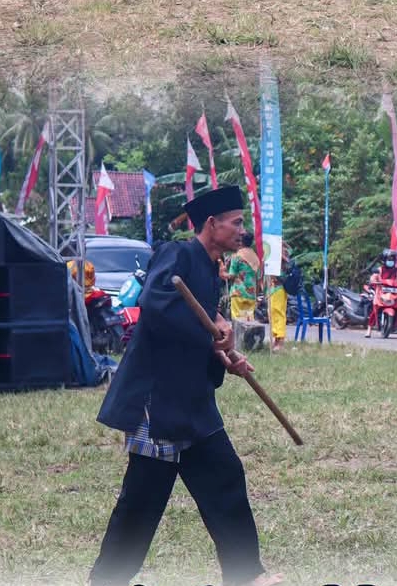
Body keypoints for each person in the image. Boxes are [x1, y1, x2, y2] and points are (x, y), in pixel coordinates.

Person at [90, 185, 283, 586]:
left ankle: (245, 575)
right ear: (211, 225)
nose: (241, 230)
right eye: (236, 222)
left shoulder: (212, 267)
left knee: (226, 478)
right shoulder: (177, 254)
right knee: (143, 499)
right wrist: (215, 332)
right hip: (158, 400)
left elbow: (200, 323)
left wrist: (222, 354)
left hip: (193, 402)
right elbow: (159, 304)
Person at [365, 248, 397, 339]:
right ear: (384, 260)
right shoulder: (379, 270)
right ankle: (369, 330)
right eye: (389, 259)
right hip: (381, 293)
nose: (391, 261)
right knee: (374, 310)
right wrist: (373, 281)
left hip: (395, 294)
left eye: (392, 259)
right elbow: (373, 278)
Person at [267, 243, 295, 352]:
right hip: (273, 288)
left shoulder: (283, 253)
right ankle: (276, 339)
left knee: (278, 313)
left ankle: (280, 340)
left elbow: (287, 261)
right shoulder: (273, 250)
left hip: (280, 287)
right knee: (273, 313)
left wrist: (280, 253)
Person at [227, 232, 260, 321]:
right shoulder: (256, 258)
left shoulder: (237, 256)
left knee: (238, 322)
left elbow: (232, 275)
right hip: (251, 294)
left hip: (238, 292)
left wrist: (223, 274)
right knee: (248, 322)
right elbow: (258, 278)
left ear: (241, 242)